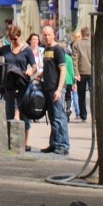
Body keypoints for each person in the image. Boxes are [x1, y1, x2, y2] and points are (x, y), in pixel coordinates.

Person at [0, 25, 36, 152]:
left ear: (20, 36)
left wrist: (30, 71)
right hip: (9, 83)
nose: (13, 41)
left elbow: (34, 66)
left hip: (23, 83)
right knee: (9, 111)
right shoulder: (6, 49)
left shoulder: (27, 49)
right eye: (11, 39)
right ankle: (10, 141)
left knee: (24, 112)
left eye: (15, 38)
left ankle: (26, 142)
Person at [39, 24, 69, 155]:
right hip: (47, 87)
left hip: (56, 88)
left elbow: (63, 69)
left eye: (49, 34)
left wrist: (59, 89)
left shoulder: (58, 49)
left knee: (59, 117)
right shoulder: (46, 49)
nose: (47, 37)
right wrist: (41, 75)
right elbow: (49, 67)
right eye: (45, 35)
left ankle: (63, 145)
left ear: (54, 35)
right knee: (52, 117)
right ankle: (54, 143)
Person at [72, 26, 92, 122]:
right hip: (92, 72)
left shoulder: (77, 44)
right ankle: (95, 114)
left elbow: (74, 60)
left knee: (81, 95)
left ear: (82, 33)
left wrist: (76, 72)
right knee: (93, 94)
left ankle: (83, 115)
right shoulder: (94, 43)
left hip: (81, 72)